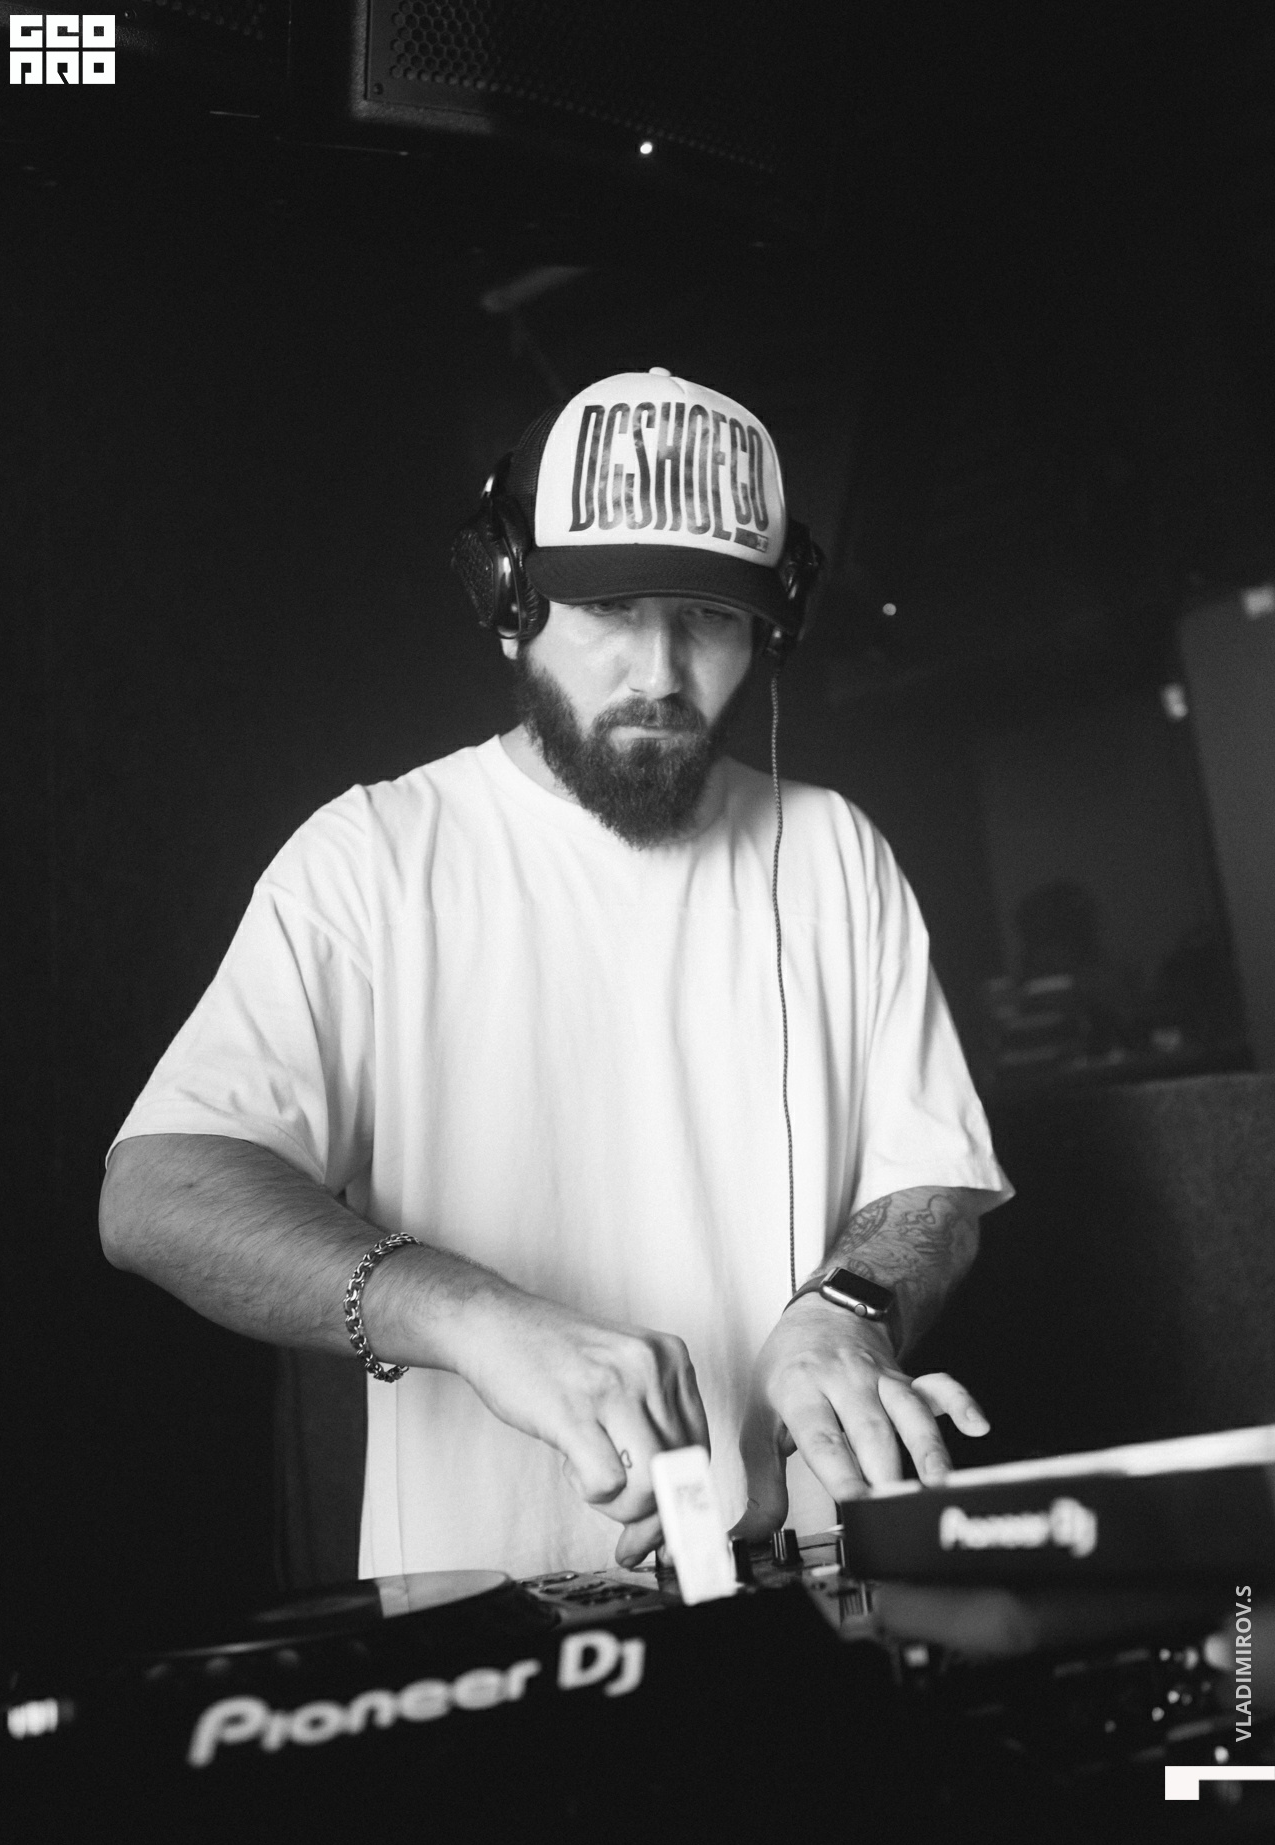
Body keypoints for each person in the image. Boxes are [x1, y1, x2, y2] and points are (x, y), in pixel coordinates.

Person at [99, 368, 1012, 1582]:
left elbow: (929, 1185)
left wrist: (846, 1309)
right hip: (488, 1609)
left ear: (771, 626)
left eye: (708, 617)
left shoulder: (836, 850)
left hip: (821, 1584)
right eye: (610, 608)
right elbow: (159, 1191)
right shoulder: (373, 856)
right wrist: (473, 1317)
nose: (660, 672)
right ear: (509, 602)